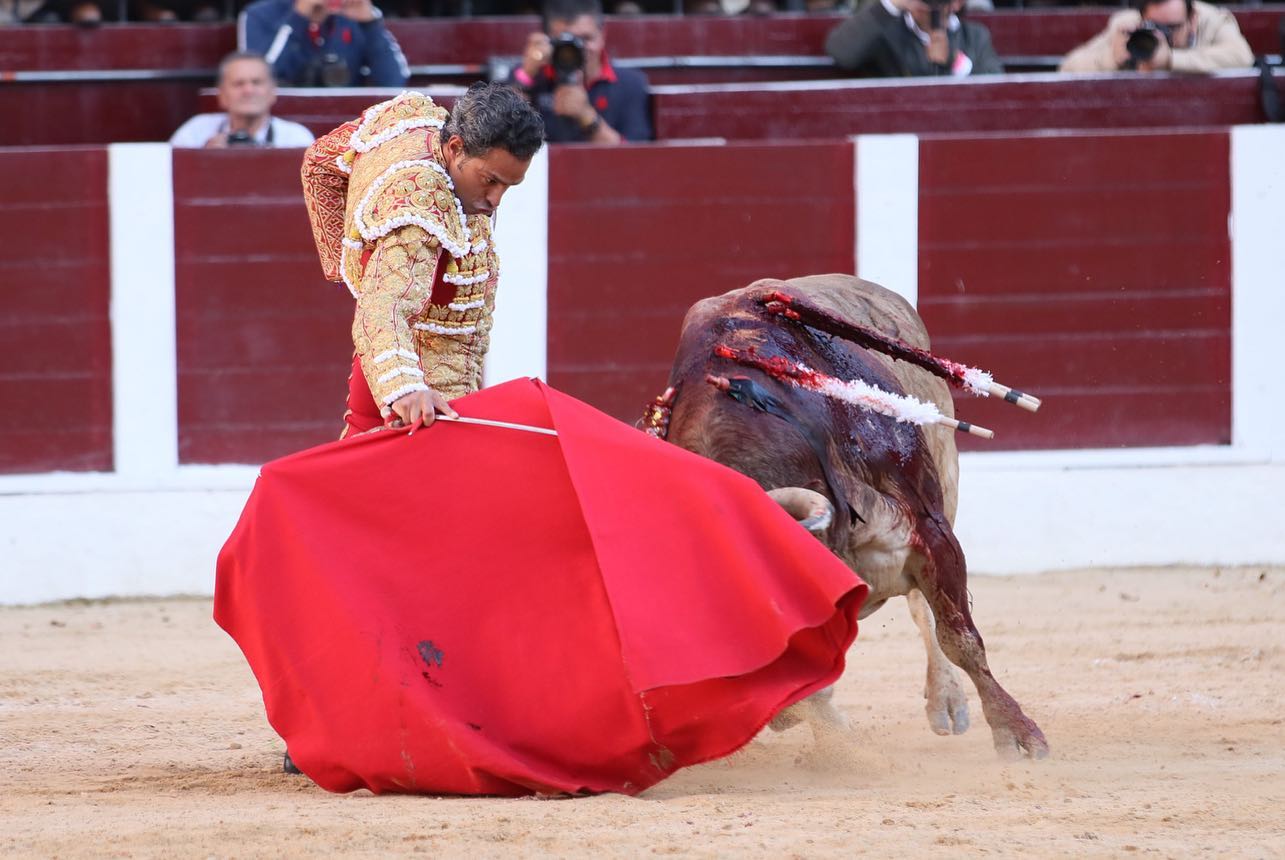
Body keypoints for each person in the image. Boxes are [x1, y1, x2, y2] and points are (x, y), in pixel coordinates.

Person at [301, 83, 545, 438]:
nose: (496, 200)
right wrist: (405, 388)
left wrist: (354, 266)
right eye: (489, 180)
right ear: (456, 147)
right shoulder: (421, 203)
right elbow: (384, 309)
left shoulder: (415, 120)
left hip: (381, 366)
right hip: (426, 392)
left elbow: (319, 162)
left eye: (509, 186)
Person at [508, 0, 652, 144]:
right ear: (548, 39)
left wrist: (587, 117)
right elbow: (503, 137)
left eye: (586, 38)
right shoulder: (528, 77)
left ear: (602, 34)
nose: (579, 49)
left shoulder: (631, 84)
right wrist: (526, 75)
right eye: (567, 42)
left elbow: (635, 156)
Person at [238, 0, 409, 88]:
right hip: (282, 119)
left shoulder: (357, 13)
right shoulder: (259, 14)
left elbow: (394, 82)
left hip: (349, 123)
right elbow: (257, 79)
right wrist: (298, 17)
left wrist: (370, 26)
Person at [1059, 0, 1252, 74]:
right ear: (1142, 18)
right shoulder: (1129, 26)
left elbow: (1243, 57)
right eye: (1155, 26)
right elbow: (1067, 67)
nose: (1162, 35)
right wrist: (1112, 59)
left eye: (1172, 27)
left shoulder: (1212, 21)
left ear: (1192, 19)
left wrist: (1170, 59)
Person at [170, 52, 315, 149]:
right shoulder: (196, 132)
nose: (248, 91)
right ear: (221, 95)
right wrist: (204, 157)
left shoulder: (295, 138)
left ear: (273, 92)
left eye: (256, 82)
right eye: (238, 84)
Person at [825, 0, 1003, 78]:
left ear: (957, 2)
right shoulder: (886, 32)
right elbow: (841, 53)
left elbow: (997, 91)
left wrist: (954, 61)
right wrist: (889, 5)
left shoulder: (975, 36)